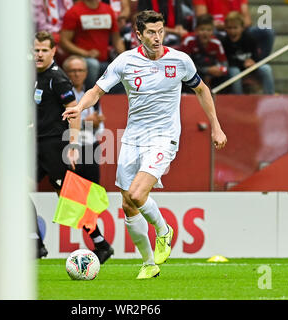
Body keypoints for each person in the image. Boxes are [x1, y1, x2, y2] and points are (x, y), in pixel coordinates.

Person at [62, 10, 227, 279]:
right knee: (128, 204)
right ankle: (149, 263)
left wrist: (217, 127)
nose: (157, 37)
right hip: (132, 138)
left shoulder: (180, 60)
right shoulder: (125, 61)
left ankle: (164, 231)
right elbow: (96, 90)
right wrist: (79, 107)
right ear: (139, 35)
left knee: (138, 195)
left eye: (161, 31)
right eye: (151, 32)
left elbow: (202, 90)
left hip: (163, 137)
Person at [34, 31, 114, 263]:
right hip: (38, 146)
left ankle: (101, 243)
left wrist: (73, 145)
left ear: (52, 51)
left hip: (55, 146)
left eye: (43, 50)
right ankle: (36, 243)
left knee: (71, 199)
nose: (39, 54)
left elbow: (74, 112)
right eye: (36, 49)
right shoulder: (35, 76)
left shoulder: (57, 78)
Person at [60, 0, 125, 91]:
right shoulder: (74, 11)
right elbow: (64, 41)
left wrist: (126, 58)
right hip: (82, 60)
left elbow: (116, 39)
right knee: (93, 64)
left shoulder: (108, 10)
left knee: (123, 68)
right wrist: (86, 53)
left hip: (104, 61)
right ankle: (87, 97)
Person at [63, 55, 105, 184]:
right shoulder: (62, 94)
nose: (77, 74)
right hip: (68, 147)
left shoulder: (91, 95)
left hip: (90, 147)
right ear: (66, 73)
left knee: (93, 188)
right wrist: (85, 122)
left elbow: (100, 128)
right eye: (73, 71)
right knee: (72, 191)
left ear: (86, 73)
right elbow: (58, 123)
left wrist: (96, 124)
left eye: (80, 70)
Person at [193, 0, 275, 60]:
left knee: (267, 32)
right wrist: (228, 27)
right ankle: (216, 65)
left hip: (238, 29)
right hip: (217, 31)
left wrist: (234, 27)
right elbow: (202, 21)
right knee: (207, 31)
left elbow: (247, 21)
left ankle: (256, 64)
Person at [221, 11, 274, 94]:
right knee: (234, 71)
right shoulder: (224, 42)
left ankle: (270, 96)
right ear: (225, 28)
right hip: (235, 68)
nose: (232, 31)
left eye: (235, 28)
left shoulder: (250, 39)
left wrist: (254, 61)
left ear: (242, 28)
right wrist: (242, 63)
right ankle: (238, 98)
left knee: (266, 69)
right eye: (229, 28)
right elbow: (226, 61)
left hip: (250, 67)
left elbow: (256, 55)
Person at [180, 14, 228, 90]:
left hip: (212, 74)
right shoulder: (188, 41)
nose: (205, 33)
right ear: (196, 30)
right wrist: (206, 70)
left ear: (213, 31)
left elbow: (225, 65)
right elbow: (184, 65)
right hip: (194, 73)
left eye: (209, 30)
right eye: (202, 29)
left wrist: (221, 70)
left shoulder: (216, 43)